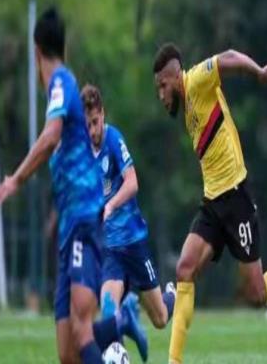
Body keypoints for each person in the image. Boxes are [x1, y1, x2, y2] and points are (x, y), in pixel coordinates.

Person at [0, 8, 141, 364]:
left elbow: (50, 136)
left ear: (36, 51)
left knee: (81, 327)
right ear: (64, 45)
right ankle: (120, 322)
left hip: (85, 221)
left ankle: (117, 324)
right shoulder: (60, 91)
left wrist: (16, 179)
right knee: (67, 352)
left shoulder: (60, 81)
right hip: (68, 229)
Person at [153, 44, 267, 364]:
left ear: (175, 76)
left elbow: (228, 58)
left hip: (237, 197)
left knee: (257, 294)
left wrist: (260, 72)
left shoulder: (196, 80)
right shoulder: (187, 106)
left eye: (162, 86)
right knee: (184, 269)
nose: (161, 95)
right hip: (212, 203)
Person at [81, 84, 176, 362]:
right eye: (87, 125)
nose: (92, 131)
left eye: (95, 122)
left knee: (160, 318)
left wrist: (110, 205)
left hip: (133, 242)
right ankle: (119, 348)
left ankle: (172, 294)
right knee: (108, 310)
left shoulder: (113, 139)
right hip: (109, 249)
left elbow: (133, 182)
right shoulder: (83, 151)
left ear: (103, 115)